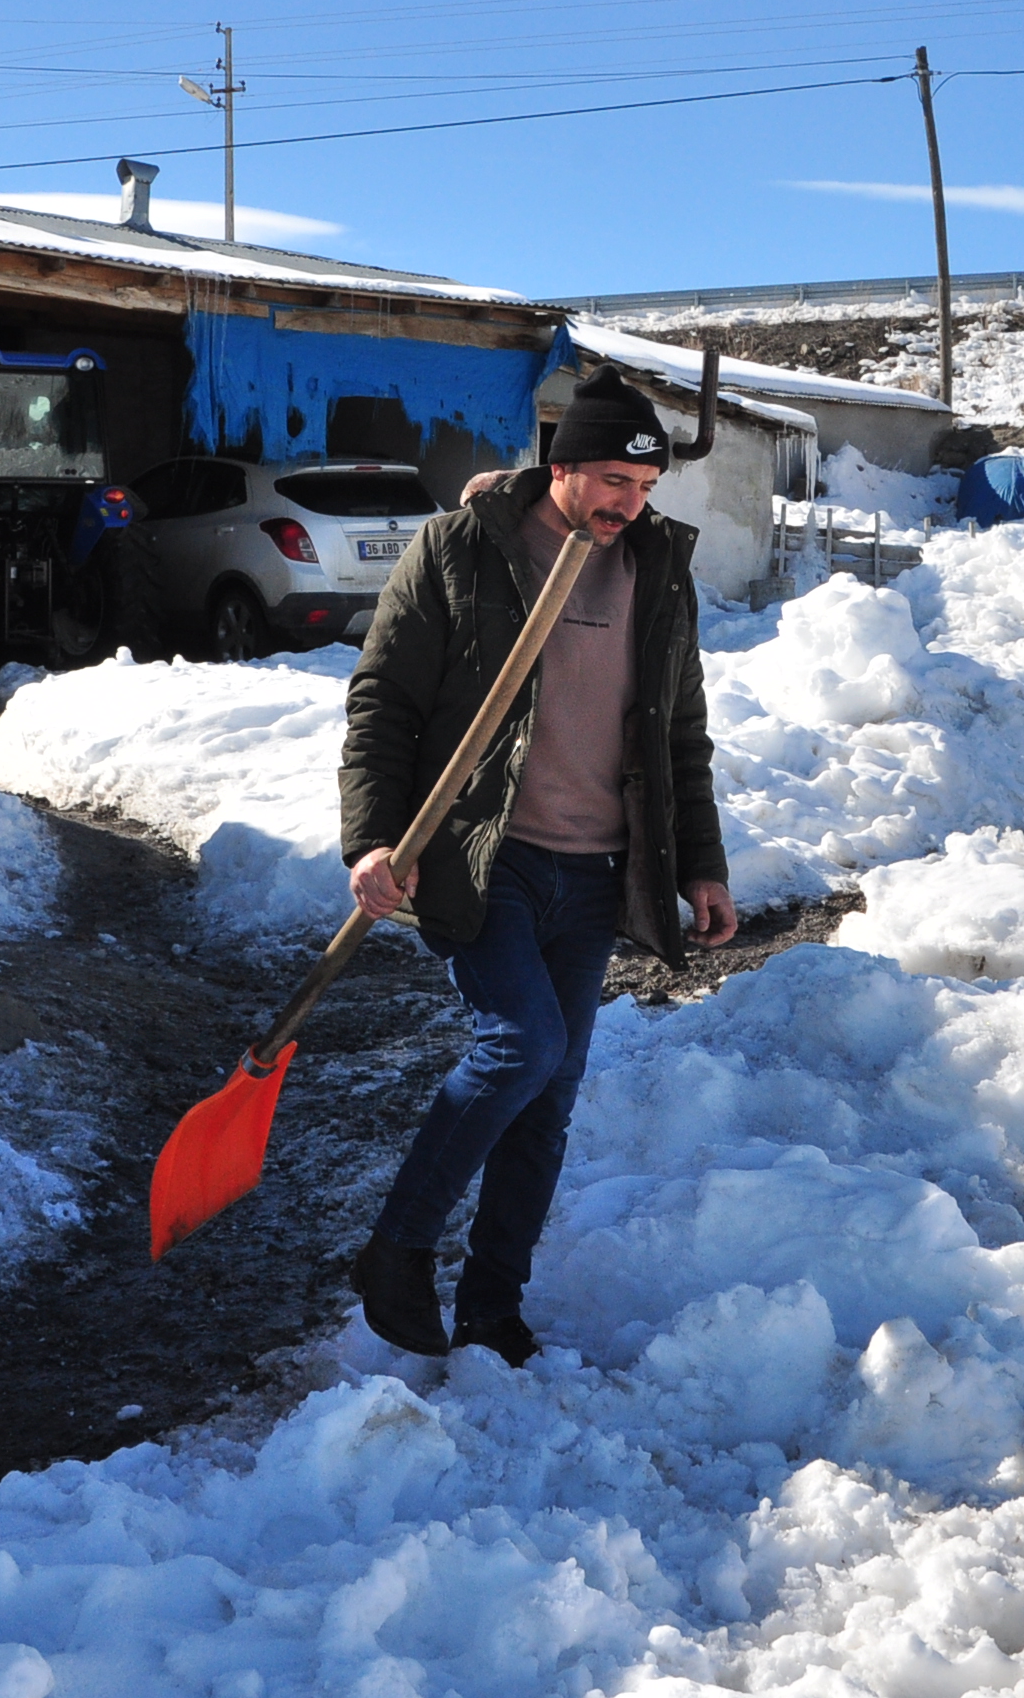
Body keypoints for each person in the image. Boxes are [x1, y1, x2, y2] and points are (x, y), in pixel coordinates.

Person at [339, 366, 737, 1366]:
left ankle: (490, 1305)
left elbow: (679, 731)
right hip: (487, 857)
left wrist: (701, 864)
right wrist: (374, 840)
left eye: (644, 489)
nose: (626, 503)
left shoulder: (655, 569)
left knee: (549, 1095)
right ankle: (397, 1249)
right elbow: (384, 703)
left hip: (600, 870)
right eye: (610, 480)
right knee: (521, 1046)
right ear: (561, 467)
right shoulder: (462, 550)